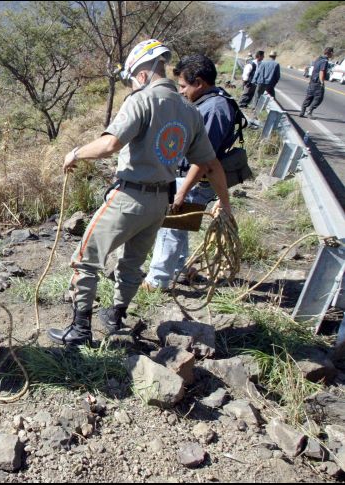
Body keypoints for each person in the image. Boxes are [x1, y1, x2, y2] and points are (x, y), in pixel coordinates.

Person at [47, 39, 232, 347]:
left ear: (143, 74)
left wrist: (75, 153)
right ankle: (116, 315)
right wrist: (225, 204)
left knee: (86, 260)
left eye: (133, 79)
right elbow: (210, 165)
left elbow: (110, 144)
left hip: (128, 198)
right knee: (132, 263)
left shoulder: (142, 100)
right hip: (160, 203)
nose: (133, 85)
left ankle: (79, 330)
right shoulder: (190, 110)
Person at [142, 54, 238, 291]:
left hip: (195, 180)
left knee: (171, 227)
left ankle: (157, 280)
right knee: (181, 226)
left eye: (184, 86)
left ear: (200, 83)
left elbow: (205, 159)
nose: (181, 91)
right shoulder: (210, 102)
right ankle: (179, 270)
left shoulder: (214, 109)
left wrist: (182, 191)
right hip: (190, 177)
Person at [300, 47, 334, 119]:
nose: (333, 54)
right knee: (318, 98)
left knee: (309, 96)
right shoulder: (325, 61)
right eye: (332, 53)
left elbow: (314, 70)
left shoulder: (318, 59)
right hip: (318, 82)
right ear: (330, 53)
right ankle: (309, 112)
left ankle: (302, 112)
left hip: (312, 81)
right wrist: (322, 82)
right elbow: (322, 71)